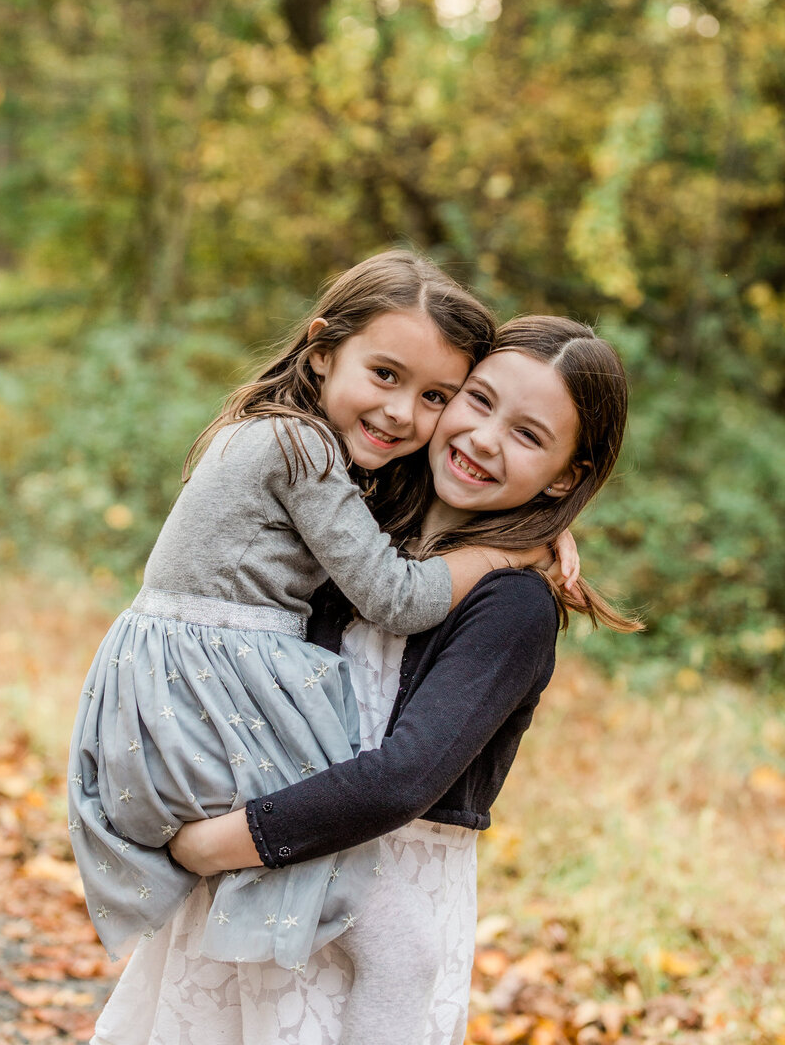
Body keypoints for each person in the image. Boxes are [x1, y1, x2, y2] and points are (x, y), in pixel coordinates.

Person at [92, 314, 639, 1045]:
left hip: (350, 877)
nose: (482, 439)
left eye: (529, 436)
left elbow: (402, 778)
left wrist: (215, 846)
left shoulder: (513, 605)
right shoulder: (361, 524)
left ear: (568, 475)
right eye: (476, 401)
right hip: (258, 877)